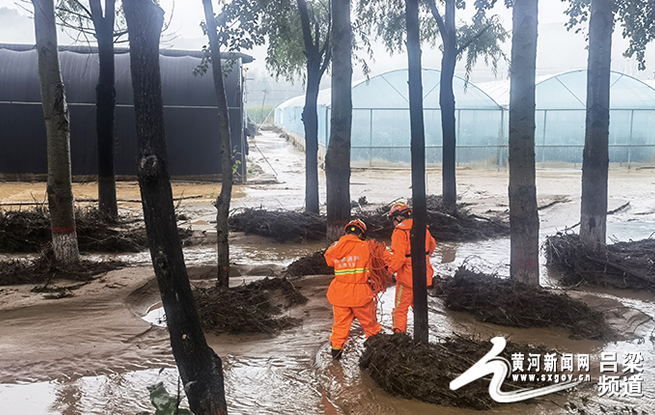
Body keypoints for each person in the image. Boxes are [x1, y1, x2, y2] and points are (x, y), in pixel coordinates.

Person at [324, 219, 382, 360]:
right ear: (362, 234)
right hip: (361, 295)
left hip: (340, 295)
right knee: (370, 327)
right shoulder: (367, 247)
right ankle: (373, 356)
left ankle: (336, 360)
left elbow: (328, 260)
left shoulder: (335, 248)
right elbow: (380, 261)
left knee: (339, 328)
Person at [385, 202, 436, 333]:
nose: (393, 223)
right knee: (418, 307)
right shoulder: (423, 228)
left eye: (393, 220)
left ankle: (399, 335)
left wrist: (389, 271)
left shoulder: (399, 232)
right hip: (424, 275)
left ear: (399, 217)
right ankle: (422, 333)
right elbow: (432, 247)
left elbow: (399, 258)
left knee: (400, 309)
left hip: (407, 278)